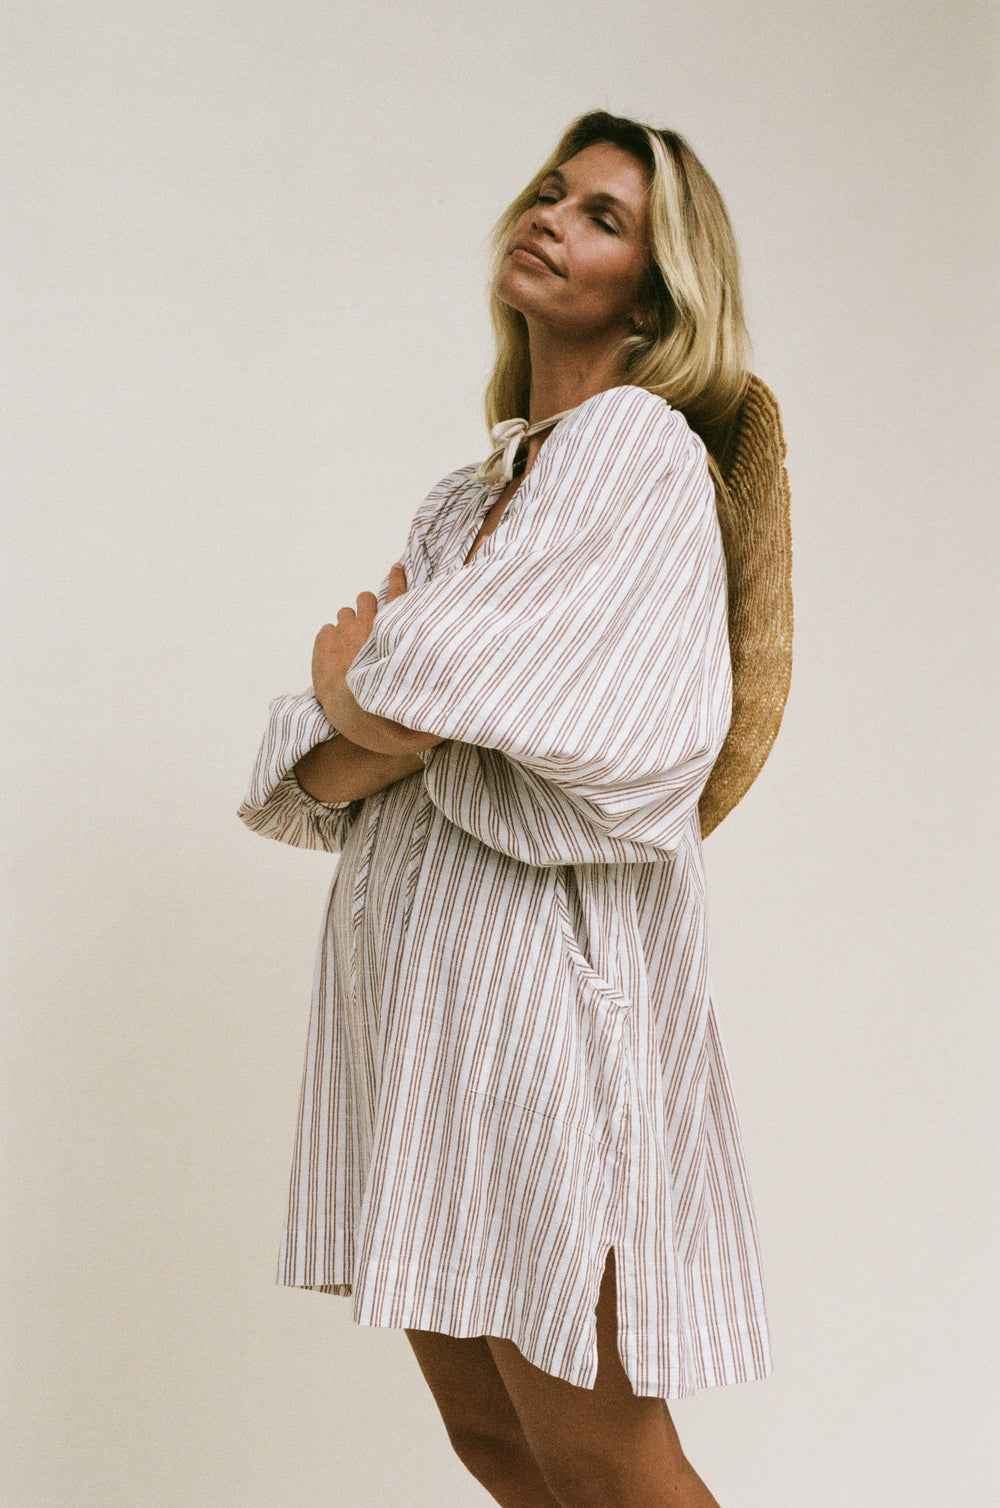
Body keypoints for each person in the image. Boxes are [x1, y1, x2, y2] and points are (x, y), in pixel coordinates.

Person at [239, 109, 792, 1508]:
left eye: (603, 216)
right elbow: (310, 767)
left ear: (656, 295)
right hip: (424, 1021)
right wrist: (375, 709)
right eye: (551, 191)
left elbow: (413, 685)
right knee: (494, 1441)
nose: (550, 216)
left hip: (541, 1020)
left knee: (604, 1458)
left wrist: (367, 690)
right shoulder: (473, 492)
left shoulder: (634, 450)